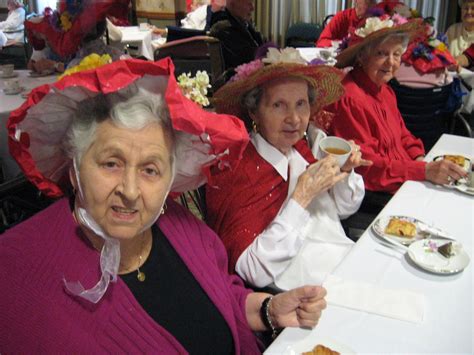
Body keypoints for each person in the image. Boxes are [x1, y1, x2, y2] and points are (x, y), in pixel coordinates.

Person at [0, 58, 327, 352]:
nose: (130, 191)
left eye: (150, 170)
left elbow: (221, 295)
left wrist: (268, 310)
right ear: (74, 167)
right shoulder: (16, 270)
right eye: (111, 163)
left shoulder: (178, 224)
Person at [207, 47, 370, 290]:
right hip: (303, 292)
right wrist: (301, 197)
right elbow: (252, 271)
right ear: (254, 111)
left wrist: (344, 172)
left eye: (301, 104)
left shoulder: (299, 148)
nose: (294, 118)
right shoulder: (238, 169)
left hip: (340, 261)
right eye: (278, 105)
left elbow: (344, 209)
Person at [327, 15, 468, 194]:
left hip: (405, 180)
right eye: (381, 53)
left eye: (396, 54)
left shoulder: (385, 90)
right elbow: (366, 167)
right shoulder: (349, 98)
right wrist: (423, 171)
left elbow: (403, 135)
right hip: (375, 195)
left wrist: (420, 159)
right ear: (362, 57)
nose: (391, 62)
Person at [209, 0, 263, 77]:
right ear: (232, 2)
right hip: (239, 84)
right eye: (249, 3)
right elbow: (247, 60)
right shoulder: (224, 29)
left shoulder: (246, 25)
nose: (252, 8)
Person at [446, 0, 474, 69]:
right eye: (466, 8)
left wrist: (456, 62)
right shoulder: (452, 29)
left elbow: (469, 55)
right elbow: (441, 53)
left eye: (473, 8)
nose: (469, 12)